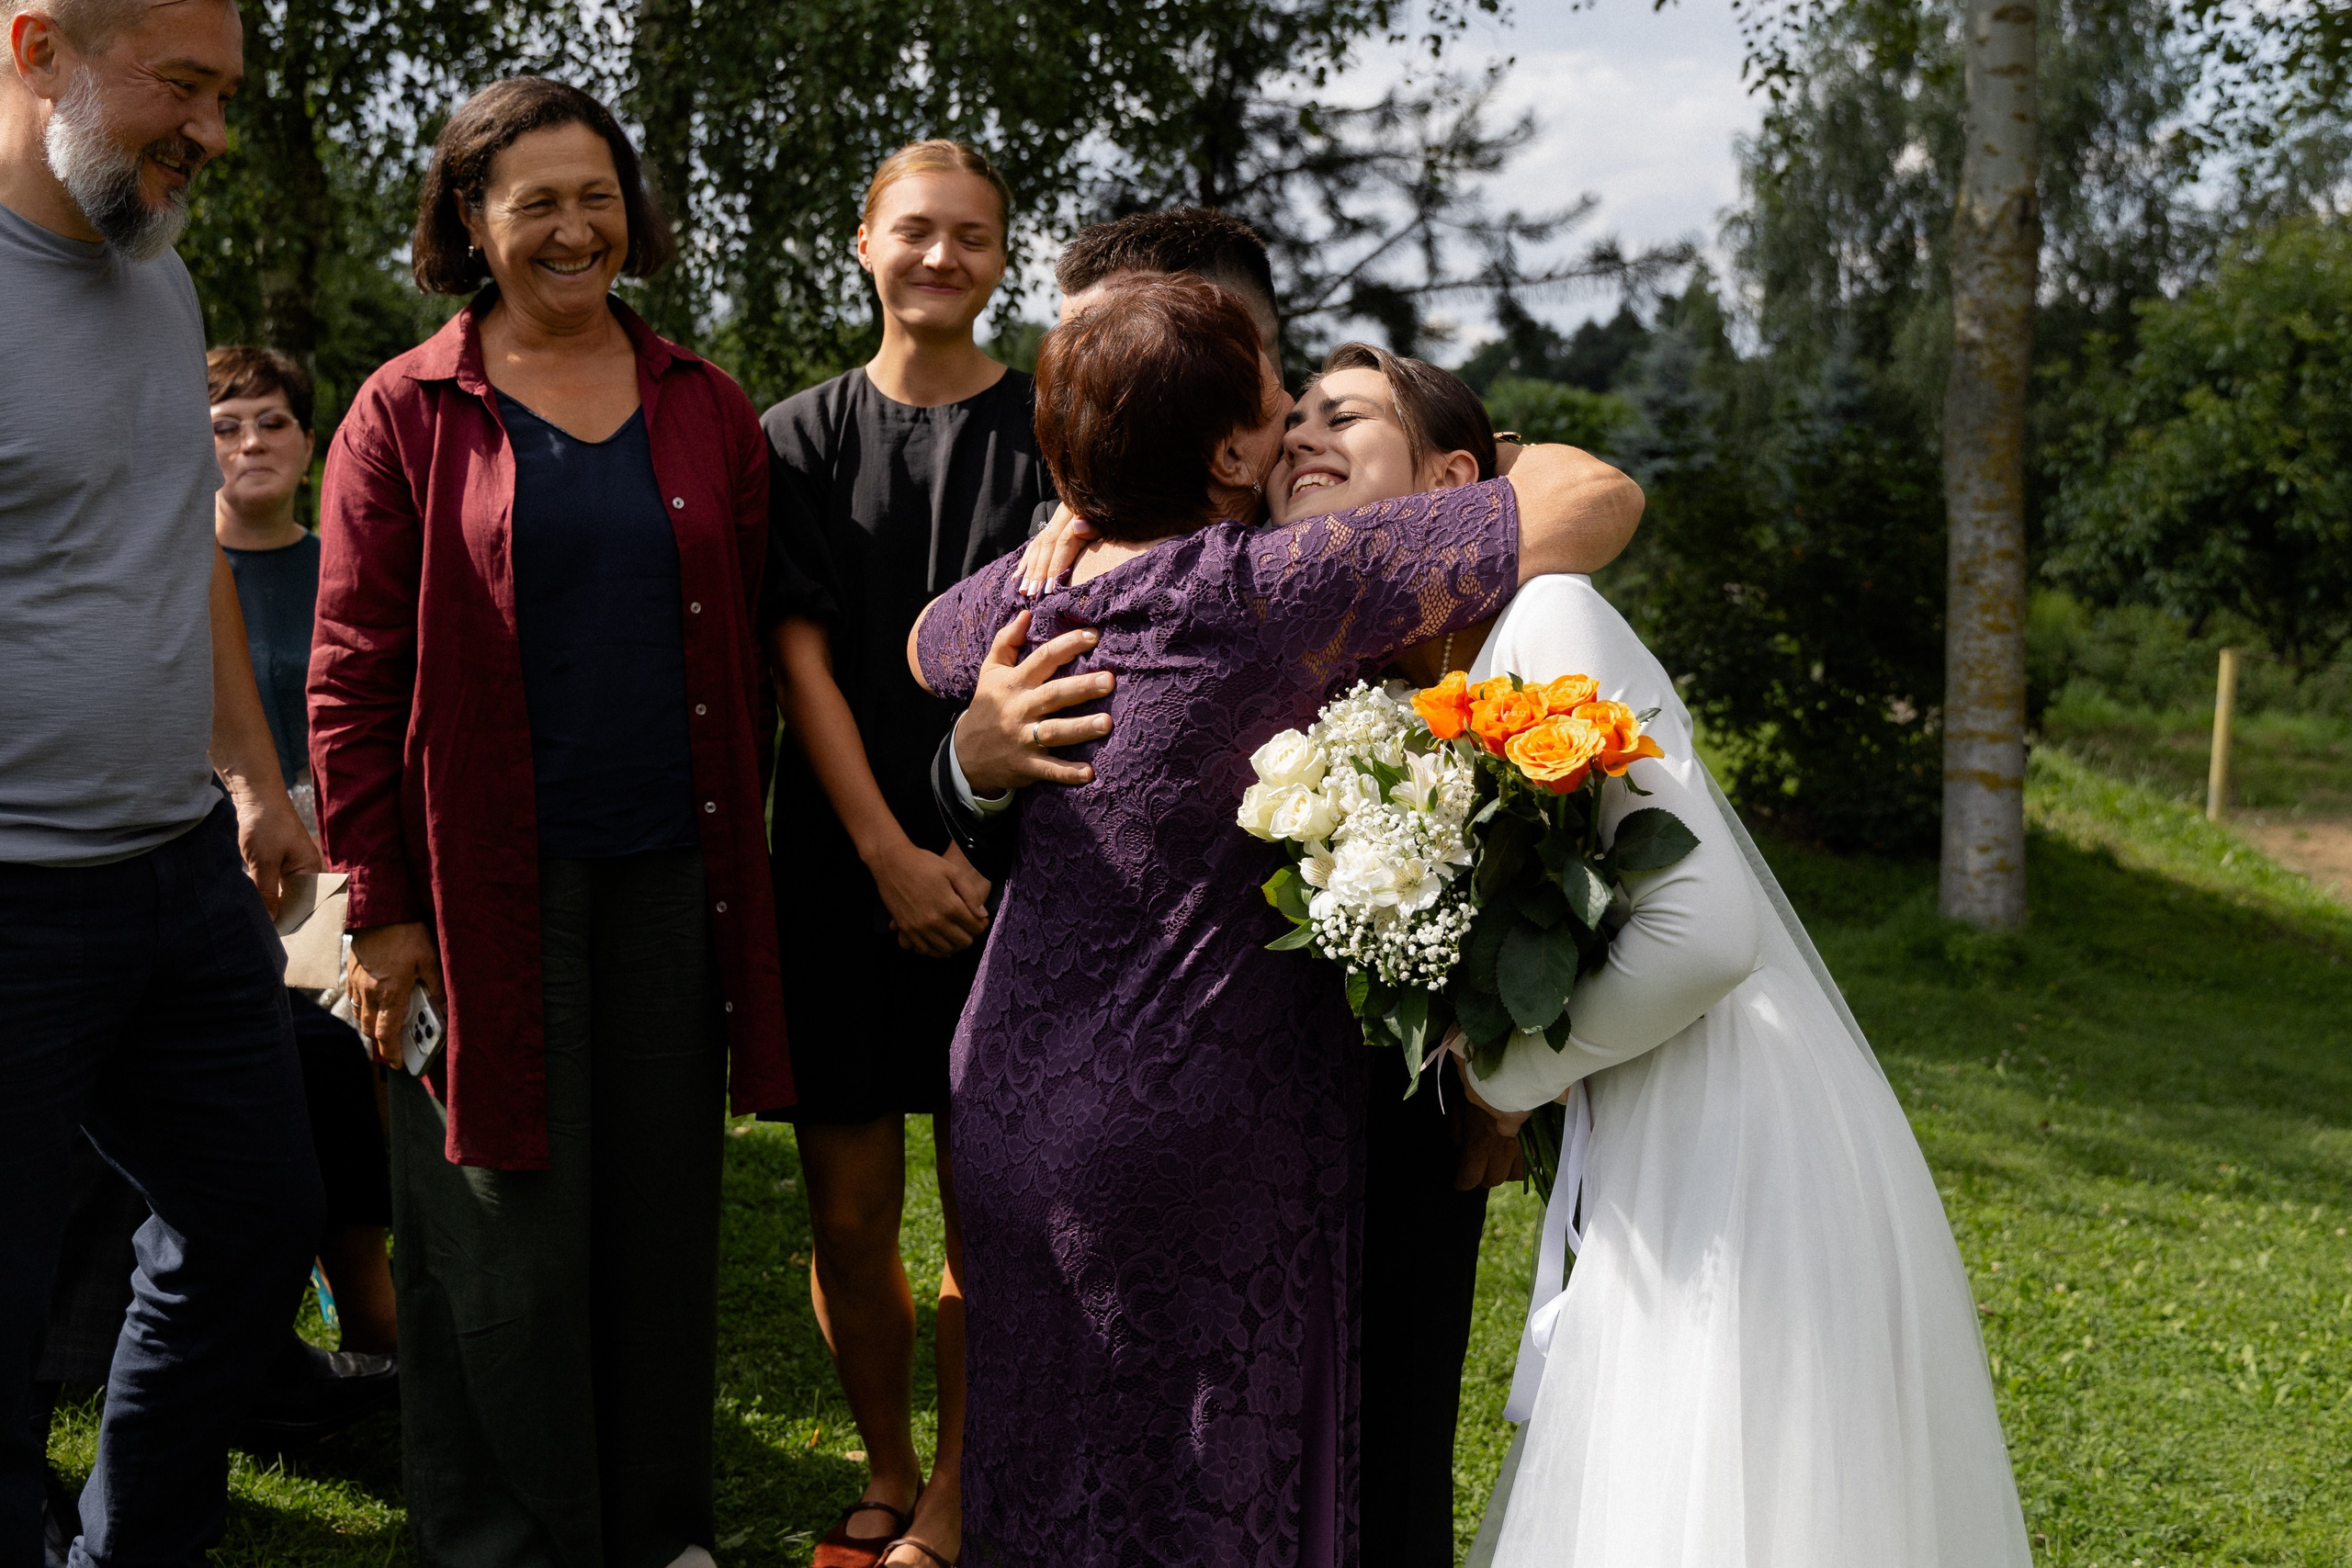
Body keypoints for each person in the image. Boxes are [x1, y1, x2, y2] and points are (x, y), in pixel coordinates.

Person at [908, 272, 1644, 1565]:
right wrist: (1498, 471)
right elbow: (1602, 498)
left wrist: (1067, 522)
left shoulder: (1032, 599)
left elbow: (923, 643)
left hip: (1007, 1099)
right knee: (1194, 1475)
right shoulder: (1268, 586)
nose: (1296, 430)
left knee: (1046, 1455)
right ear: (1232, 452)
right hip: (1179, 1128)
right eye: (1275, 403)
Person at [1256, 351, 2033, 1565]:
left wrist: (1502, 1078)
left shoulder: (1547, 614)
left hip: (1730, 1126)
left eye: (1342, 414)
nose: (1300, 433)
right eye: (1290, 418)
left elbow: (1705, 928)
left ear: (1456, 479)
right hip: (1642, 1122)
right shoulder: (1413, 688)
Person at [310, 76, 791, 1567]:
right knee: (493, 1231)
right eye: (536, 203)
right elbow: (347, 673)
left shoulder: (706, 405)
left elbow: (757, 642)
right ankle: (503, 1541)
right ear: (470, 218)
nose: (575, 229)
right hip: (474, 895)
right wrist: (383, 912)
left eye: (598, 197)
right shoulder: (406, 409)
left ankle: (659, 1531)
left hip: (670, 879)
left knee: (657, 1222)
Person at [0, 0, 329, 1562]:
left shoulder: (157, 264)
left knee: (256, 1228)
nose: (210, 128)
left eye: (224, 93)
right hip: (13, 904)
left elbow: (172, 542)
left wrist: (253, 774)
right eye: (180, 87)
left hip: (181, 875)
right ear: (34, 45)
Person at [759, 140, 1043, 1568]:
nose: (943, 256)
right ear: (860, 242)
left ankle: (960, 1492)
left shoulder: (1061, 429)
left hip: (1021, 877)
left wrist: (962, 851)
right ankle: (887, 1465)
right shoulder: (790, 438)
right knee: (852, 1205)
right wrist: (886, 850)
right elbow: (797, 662)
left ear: (1007, 257)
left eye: (973, 235)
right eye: (915, 230)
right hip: (838, 863)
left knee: (990, 1205)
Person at [209, 344, 401, 1360]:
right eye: (225, 426)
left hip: (337, 857)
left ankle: (359, 1284)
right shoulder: (170, 572)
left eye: (272, 422)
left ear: (311, 441)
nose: (250, 443)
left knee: (351, 1064)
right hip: (207, 856)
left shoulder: (342, 559)